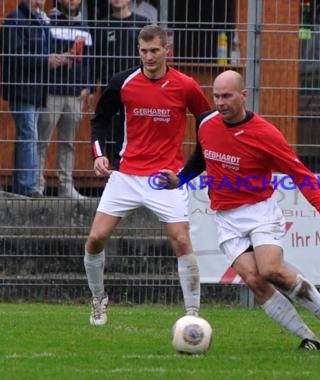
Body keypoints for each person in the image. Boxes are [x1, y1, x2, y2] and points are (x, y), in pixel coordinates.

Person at [161, 70, 320, 350]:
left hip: (259, 211)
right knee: (253, 279)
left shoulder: (265, 134)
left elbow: (300, 173)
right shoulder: (206, 123)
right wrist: (178, 179)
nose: (220, 102)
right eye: (216, 96)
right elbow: (200, 158)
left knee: (270, 269)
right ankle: (309, 338)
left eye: (227, 96)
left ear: (243, 95)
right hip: (226, 218)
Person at [84, 24, 211, 326]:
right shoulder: (123, 82)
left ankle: (192, 316)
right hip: (126, 175)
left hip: (164, 179)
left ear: (168, 50)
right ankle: (98, 299)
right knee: (95, 238)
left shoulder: (186, 86)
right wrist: (99, 154)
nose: (149, 57)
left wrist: (185, 173)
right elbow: (99, 120)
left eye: (154, 51)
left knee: (181, 241)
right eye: (143, 51)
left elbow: (208, 127)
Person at [1, 0, 69, 197]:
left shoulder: (37, 21)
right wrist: (46, 59)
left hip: (36, 90)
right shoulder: (15, 20)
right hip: (22, 90)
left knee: (28, 137)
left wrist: (52, 57)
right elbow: (13, 55)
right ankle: (28, 187)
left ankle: (23, 185)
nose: (39, 2)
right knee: (29, 136)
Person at [37, 0, 93, 199]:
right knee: (41, 141)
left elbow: (90, 60)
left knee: (68, 143)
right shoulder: (48, 21)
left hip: (75, 95)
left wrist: (88, 86)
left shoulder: (85, 26)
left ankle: (66, 187)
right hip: (51, 92)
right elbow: (42, 53)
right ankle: (37, 186)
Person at [92, 0, 149, 169]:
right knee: (110, 135)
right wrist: (92, 84)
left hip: (138, 89)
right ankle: (115, 176)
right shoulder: (102, 25)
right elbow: (95, 59)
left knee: (137, 134)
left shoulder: (142, 23)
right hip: (111, 90)